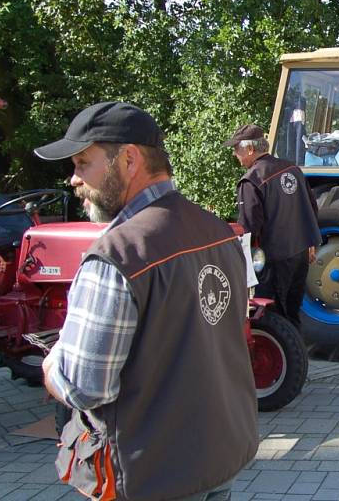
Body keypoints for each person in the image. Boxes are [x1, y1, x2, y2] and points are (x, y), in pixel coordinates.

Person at [37, 102, 258, 500]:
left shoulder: (115, 257)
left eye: (83, 163)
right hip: (219, 455)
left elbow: (86, 387)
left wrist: (53, 367)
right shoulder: (218, 231)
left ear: (129, 159)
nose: (73, 179)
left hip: (153, 473)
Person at [225, 124, 320, 330]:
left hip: (274, 260)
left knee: (272, 318)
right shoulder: (292, 169)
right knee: (293, 313)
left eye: (236, 149)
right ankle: (297, 358)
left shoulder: (252, 180)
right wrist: (311, 244)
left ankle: (281, 360)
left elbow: (249, 227)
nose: (235, 154)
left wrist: (242, 263)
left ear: (250, 149)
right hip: (300, 254)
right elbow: (311, 208)